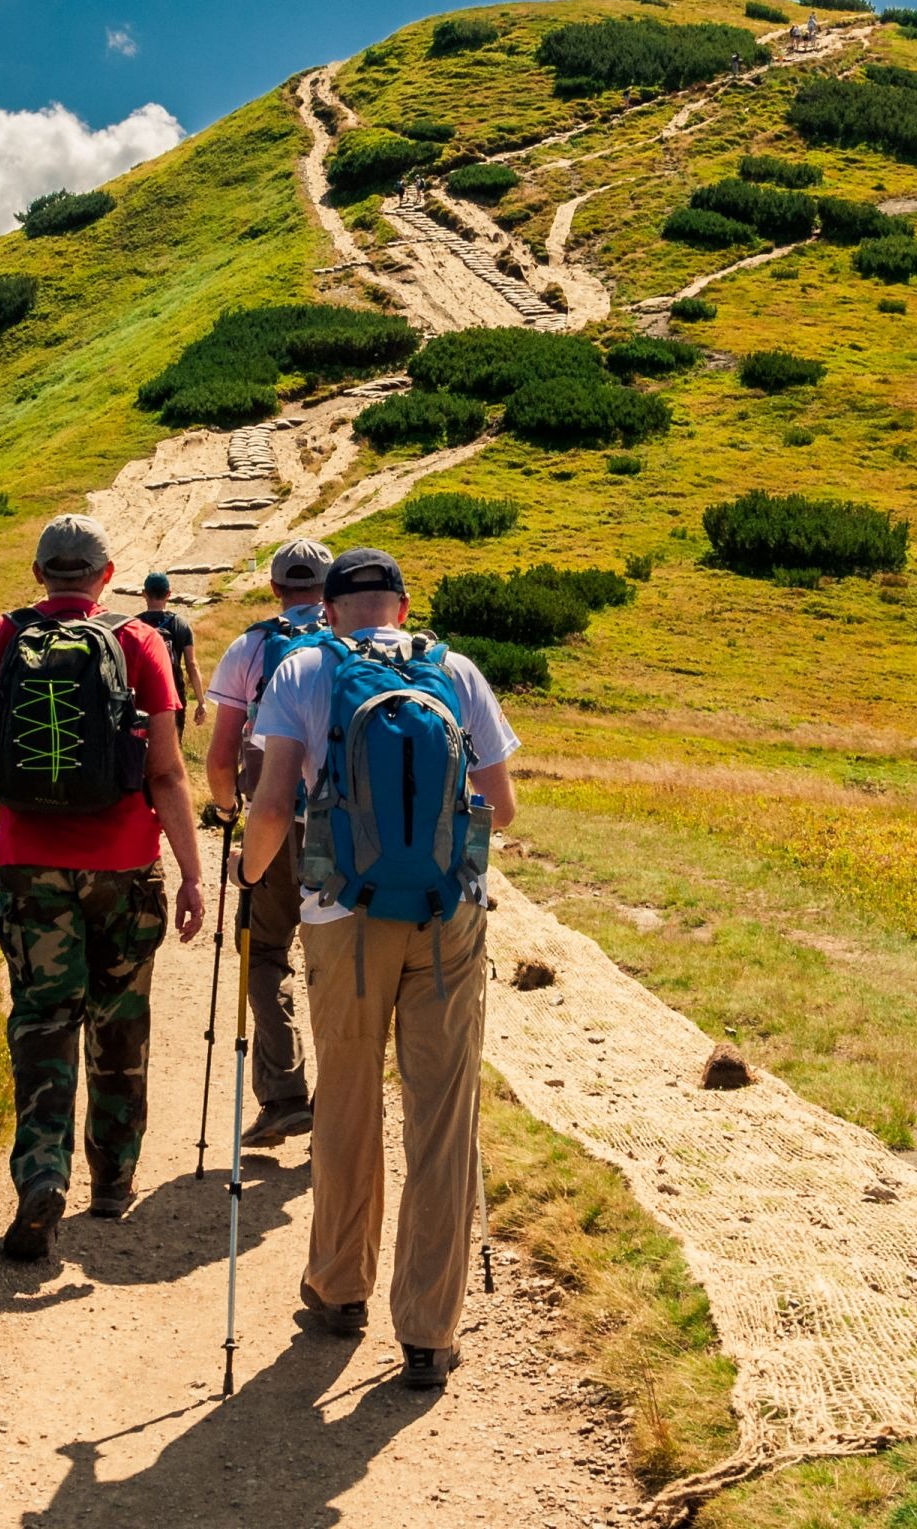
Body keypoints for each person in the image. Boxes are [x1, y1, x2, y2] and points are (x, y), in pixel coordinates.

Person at [236, 547, 519, 1390]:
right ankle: (429, 1331)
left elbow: (276, 801)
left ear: (328, 608)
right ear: (402, 603)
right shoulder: (455, 669)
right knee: (442, 1113)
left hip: (340, 918)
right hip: (447, 919)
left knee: (349, 1101)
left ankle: (338, 1287)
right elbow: (500, 806)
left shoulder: (302, 669)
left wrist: (250, 876)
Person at [0, 514, 206, 1263]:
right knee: (119, 1018)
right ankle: (114, 1180)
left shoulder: (0, 638)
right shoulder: (138, 640)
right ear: (106, 573)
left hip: (29, 865)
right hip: (125, 866)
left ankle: (40, 1173)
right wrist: (192, 872)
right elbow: (165, 770)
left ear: (40, 574)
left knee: (41, 1020)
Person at [202, 538, 333, 1147]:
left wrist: (229, 809)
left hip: (276, 821)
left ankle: (284, 1096)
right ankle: (342, 1109)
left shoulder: (251, 646)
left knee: (266, 952)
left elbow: (223, 756)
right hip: (345, 825)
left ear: (276, 586)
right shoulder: (352, 641)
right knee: (339, 962)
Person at [134, 573, 202, 728]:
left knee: (140, 748)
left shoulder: (134, 625)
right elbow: (192, 665)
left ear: (144, 594)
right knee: (173, 746)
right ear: (169, 594)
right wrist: (201, 701)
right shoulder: (181, 625)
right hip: (173, 696)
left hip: (141, 698)